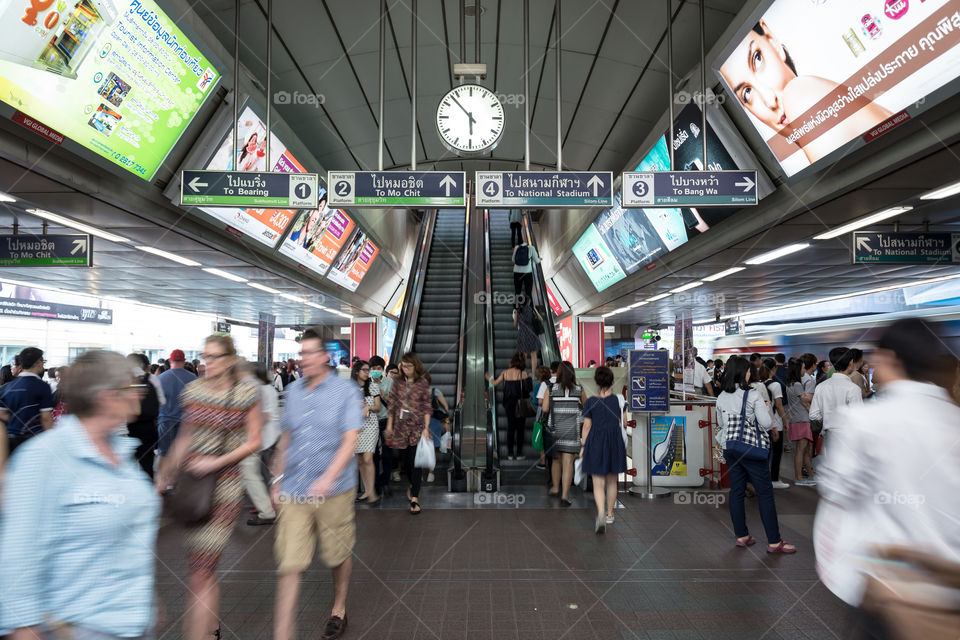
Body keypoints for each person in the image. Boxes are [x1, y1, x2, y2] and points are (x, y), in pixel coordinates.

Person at [0, 350, 161, 639]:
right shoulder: (45, 457)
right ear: (106, 396)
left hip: (129, 625)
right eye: (132, 386)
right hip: (77, 628)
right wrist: (24, 628)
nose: (141, 393)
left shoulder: (122, 453)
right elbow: (18, 557)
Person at [813, 318, 960, 632]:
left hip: (891, 592)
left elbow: (837, 490)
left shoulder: (867, 421)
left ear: (891, 358)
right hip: (950, 590)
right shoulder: (954, 418)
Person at [156, 335, 262, 640]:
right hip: (193, 486)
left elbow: (254, 441)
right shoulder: (194, 390)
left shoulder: (246, 393)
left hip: (225, 486)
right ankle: (212, 630)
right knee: (202, 568)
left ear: (230, 359)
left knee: (200, 572)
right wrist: (165, 473)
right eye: (204, 356)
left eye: (214, 357)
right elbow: (186, 436)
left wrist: (214, 463)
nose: (207, 363)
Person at [270, 328, 362, 640]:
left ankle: (339, 607)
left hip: (335, 490)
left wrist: (327, 478)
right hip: (295, 489)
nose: (303, 359)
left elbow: (350, 440)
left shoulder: (347, 391)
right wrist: (276, 479)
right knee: (290, 562)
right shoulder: (293, 392)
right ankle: (283, 634)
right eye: (301, 353)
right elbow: (287, 438)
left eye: (310, 353)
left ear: (325, 357)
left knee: (337, 553)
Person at [718, 20, 891, 165]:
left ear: (771, 41)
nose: (770, 101)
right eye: (747, 93)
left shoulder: (800, 94)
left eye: (757, 59)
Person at [716, 356, 795, 554]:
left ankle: (741, 536)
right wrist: (766, 410)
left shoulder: (722, 395)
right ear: (744, 373)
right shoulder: (752, 395)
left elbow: (721, 422)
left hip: (730, 446)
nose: (751, 372)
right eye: (749, 370)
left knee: (736, 491)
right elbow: (767, 423)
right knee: (765, 493)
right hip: (750, 448)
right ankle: (775, 542)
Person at [580, 366, 627, 534]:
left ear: (597, 382)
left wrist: (583, 446)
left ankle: (600, 513)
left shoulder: (591, 402)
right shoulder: (620, 400)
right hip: (614, 441)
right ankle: (610, 514)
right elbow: (625, 422)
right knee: (612, 481)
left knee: (598, 482)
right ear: (612, 381)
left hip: (596, 441)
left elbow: (586, 426)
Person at [385, 352, 432, 514]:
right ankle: (412, 485)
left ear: (415, 365)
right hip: (400, 428)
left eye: (409, 366)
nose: (405, 369)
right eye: (403, 366)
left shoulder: (422, 383)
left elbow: (427, 406)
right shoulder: (397, 383)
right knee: (405, 461)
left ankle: (415, 499)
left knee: (415, 461)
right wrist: (389, 426)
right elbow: (391, 405)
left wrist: (426, 428)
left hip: (417, 427)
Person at [242, 362, 281, 526]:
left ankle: (267, 509)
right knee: (264, 474)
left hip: (265, 438)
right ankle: (267, 506)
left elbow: (264, 415)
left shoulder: (261, 390)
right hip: (269, 437)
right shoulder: (267, 389)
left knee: (256, 473)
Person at [543, 361, 586, 506]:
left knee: (556, 460)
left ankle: (555, 487)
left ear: (559, 373)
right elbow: (586, 407)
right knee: (568, 462)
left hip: (555, 429)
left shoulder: (551, 388)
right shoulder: (579, 389)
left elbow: (545, 409)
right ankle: (565, 496)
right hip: (571, 430)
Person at [0, 347, 53, 455]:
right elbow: (46, 418)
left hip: (9, 440)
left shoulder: (7, 387)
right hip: (34, 441)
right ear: (38, 362)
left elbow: (2, 413)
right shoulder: (43, 387)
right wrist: (52, 440)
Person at [809, 347, 863, 449]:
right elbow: (858, 418)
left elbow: (813, 415)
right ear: (851, 362)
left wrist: (828, 420)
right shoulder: (853, 389)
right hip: (847, 438)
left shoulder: (821, 386)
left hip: (827, 437)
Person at [486, 352, 533, 461]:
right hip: (521, 404)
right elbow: (528, 389)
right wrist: (530, 377)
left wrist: (488, 377)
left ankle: (510, 454)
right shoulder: (524, 373)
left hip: (509, 404)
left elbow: (494, 383)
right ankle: (520, 453)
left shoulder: (505, 373)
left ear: (513, 362)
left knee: (511, 427)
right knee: (520, 429)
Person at [157, 349, 197, 460]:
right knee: (184, 455)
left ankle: (164, 477)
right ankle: (179, 476)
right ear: (184, 361)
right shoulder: (193, 378)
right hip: (187, 422)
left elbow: (156, 403)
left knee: (164, 455)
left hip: (165, 421)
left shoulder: (160, 378)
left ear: (170, 360)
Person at [126, 353, 161, 478]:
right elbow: (161, 402)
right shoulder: (152, 379)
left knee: (128, 463)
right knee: (147, 463)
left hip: (129, 427)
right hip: (148, 428)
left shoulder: (124, 380)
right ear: (146, 366)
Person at [351, 359, 381, 504]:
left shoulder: (373, 386)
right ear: (357, 371)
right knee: (360, 459)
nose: (368, 373)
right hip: (355, 426)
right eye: (365, 370)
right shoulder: (350, 388)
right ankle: (367, 491)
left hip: (370, 425)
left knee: (368, 458)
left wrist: (367, 407)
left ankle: (372, 491)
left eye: (368, 370)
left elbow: (378, 407)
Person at [786, 354, 818, 486]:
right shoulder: (798, 384)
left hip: (796, 418)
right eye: (803, 368)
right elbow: (805, 402)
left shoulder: (790, 384)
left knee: (802, 449)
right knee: (801, 449)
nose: (804, 371)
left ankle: (808, 475)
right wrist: (815, 415)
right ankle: (799, 477)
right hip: (802, 419)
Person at [762, 358, 789, 489]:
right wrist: (785, 420)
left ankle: (765, 478)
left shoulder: (761, 384)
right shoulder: (775, 385)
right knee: (777, 452)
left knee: (766, 452)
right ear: (774, 369)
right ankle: (774, 479)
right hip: (775, 423)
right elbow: (778, 405)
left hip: (764, 422)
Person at [369, 356, 395, 496]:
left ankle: (385, 482)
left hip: (386, 420)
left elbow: (395, 403)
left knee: (387, 453)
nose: (376, 371)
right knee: (372, 455)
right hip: (371, 421)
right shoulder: (367, 383)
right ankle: (375, 485)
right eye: (373, 369)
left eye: (378, 369)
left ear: (383, 369)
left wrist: (384, 396)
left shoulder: (389, 382)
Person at [513, 297, 542, 377]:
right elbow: (540, 319)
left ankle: (524, 373)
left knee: (524, 355)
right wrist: (535, 310)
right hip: (532, 333)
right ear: (528, 302)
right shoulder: (531, 310)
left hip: (522, 333)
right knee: (533, 354)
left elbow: (515, 325)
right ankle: (532, 374)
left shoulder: (517, 312)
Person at [427, 385, 450, 482]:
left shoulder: (434, 391)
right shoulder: (413, 391)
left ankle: (431, 472)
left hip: (433, 421)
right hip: (418, 421)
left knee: (432, 448)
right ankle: (418, 472)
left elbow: (445, 406)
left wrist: (446, 422)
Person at [512, 239, 541, 307]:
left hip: (517, 272)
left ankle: (516, 307)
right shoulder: (531, 248)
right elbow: (536, 260)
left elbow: (513, 260)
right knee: (528, 292)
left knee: (517, 291)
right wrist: (540, 259)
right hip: (527, 273)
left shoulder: (516, 248)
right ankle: (530, 308)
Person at [533, 365, 552, 470]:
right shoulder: (553, 383)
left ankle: (543, 462)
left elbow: (538, 402)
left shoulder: (540, 385)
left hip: (542, 414)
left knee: (541, 437)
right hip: (552, 414)